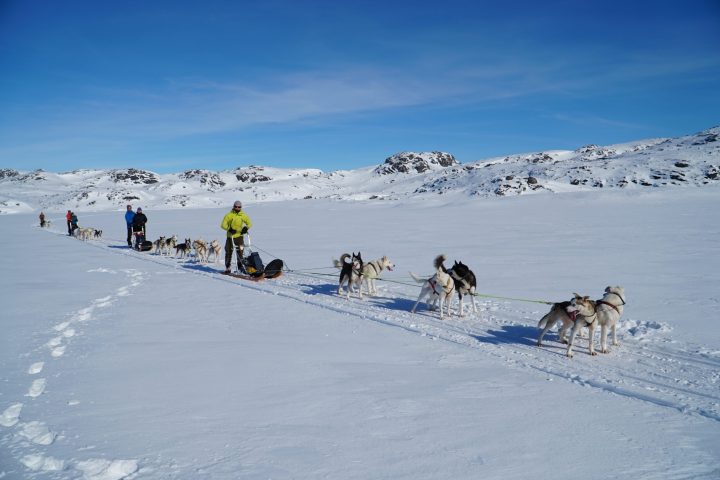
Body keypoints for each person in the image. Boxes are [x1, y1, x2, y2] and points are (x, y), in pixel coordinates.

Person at [220, 200, 252, 273]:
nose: (237, 208)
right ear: (233, 207)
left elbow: (249, 223)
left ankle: (240, 267)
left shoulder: (243, 215)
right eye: (236, 206)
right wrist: (229, 229)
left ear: (241, 207)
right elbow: (223, 225)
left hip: (239, 237)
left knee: (240, 251)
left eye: (239, 207)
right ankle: (228, 267)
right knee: (228, 252)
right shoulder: (229, 215)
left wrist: (245, 228)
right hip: (230, 237)